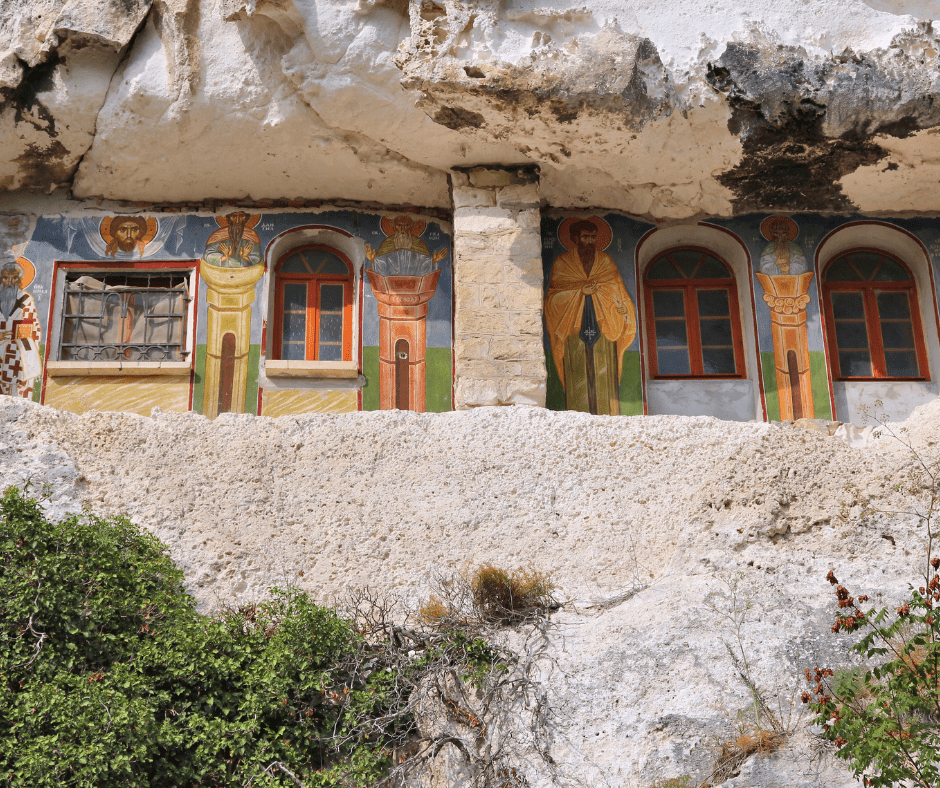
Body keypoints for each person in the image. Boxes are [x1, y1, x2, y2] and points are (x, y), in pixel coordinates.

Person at [545, 219, 636, 415]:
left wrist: (623, 313)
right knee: (577, 378)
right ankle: (575, 418)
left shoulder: (605, 261)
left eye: (593, 237)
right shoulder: (563, 263)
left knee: (605, 379)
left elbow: (618, 293)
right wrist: (580, 292)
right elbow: (552, 300)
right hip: (573, 334)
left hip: (605, 332)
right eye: (586, 236)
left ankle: (609, 415)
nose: (590, 241)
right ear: (575, 239)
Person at [0, 261, 42, 398]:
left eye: (14, 277)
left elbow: (33, 329)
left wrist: (14, 337)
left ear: (20, 279)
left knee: (14, 391)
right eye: (6, 277)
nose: (10, 281)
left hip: (16, 351)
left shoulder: (26, 300)